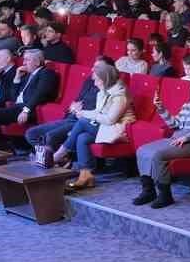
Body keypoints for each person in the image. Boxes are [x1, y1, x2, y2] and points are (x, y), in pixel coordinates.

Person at [132, 73, 190, 209]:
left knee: (158, 155)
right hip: (177, 137)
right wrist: (161, 108)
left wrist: (188, 137)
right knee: (141, 150)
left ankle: (165, 195)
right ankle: (148, 191)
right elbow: (176, 124)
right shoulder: (189, 104)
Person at [56, 60, 133, 191]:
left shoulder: (119, 96)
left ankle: (60, 154)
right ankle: (86, 175)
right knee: (82, 138)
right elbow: (98, 112)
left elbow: (110, 120)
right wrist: (84, 112)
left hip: (117, 129)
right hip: (104, 127)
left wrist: (85, 115)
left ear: (105, 80)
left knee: (82, 122)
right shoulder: (103, 92)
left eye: (97, 80)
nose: (95, 83)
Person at [0, 48, 59, 149]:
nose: (24, 63)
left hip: (30, 109)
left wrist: (26, 110)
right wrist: (17, 78)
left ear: (37, 62)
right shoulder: (27, 74)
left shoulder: (46, 73)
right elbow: (13, 96)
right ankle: (3, 145)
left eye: (27, 60)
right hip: (17, 107)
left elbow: (40, 94)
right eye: (24, 60)